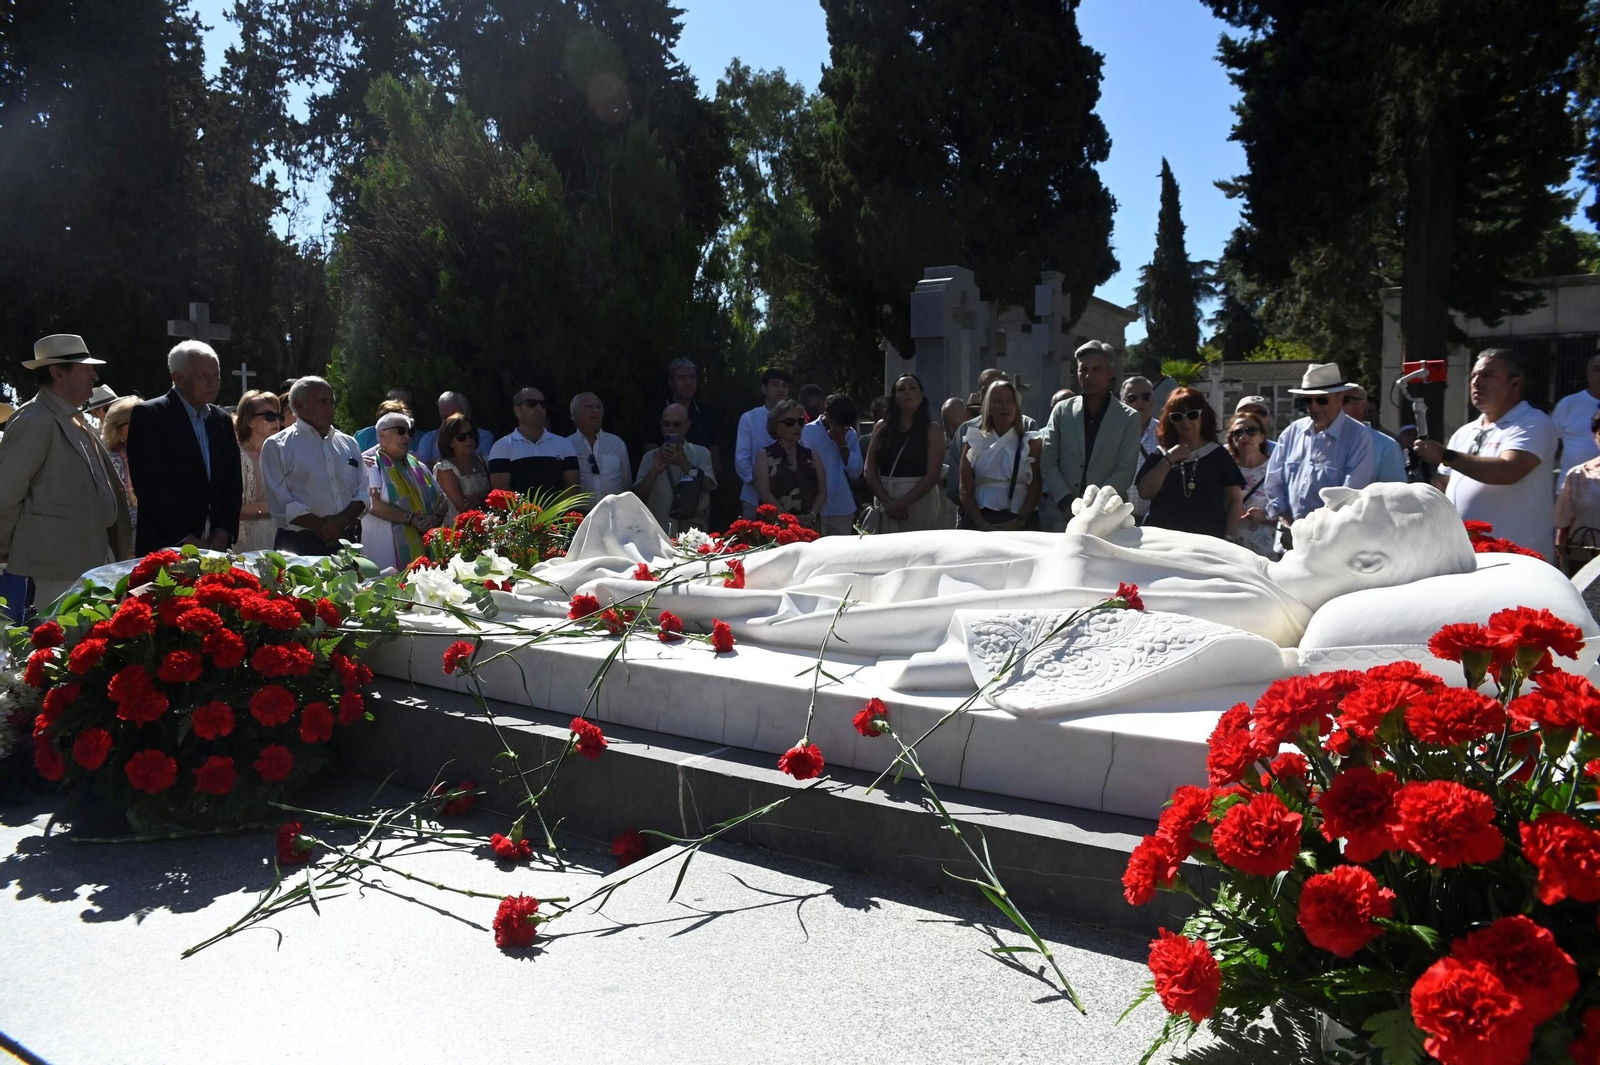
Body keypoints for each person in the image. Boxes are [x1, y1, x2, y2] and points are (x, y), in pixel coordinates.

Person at [568, 482, 1476, 656]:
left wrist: (1090, 528)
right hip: (993, 555)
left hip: (984, 577)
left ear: (1364, 561)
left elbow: (1092, 612)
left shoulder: (1261, 610)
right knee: (817, 553)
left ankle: (649, 588)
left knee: (818, 573)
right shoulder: (1254, 567)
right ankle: (666, 569)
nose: (1329, 499)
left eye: (1351, 510)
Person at [0, 334, 133, 607]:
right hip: (54, 570)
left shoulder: (74, 419)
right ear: (58, 372)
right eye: (86, 369)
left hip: (88, 563)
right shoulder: (34, 419)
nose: (94, 376)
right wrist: (4, 550)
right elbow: (5, 494)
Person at [1413, 348, 1557, 558]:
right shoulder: (1465, 432)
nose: (1476, 382)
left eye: (1487, 375)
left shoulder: (1533, 423)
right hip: (1466, 555)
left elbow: (1509, 471)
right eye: (1473, 376)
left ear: (1514, 383)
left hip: (1517, 558)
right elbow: (1443, 484)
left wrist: (1446, 455)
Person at [126, 341, 242, 554]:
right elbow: (150, 487)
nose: (213, 382)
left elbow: (233, 482)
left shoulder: (222, 420)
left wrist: (223, 530)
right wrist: (186, 539)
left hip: (216, 546)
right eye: (203, 376)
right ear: (178, 379)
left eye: (216, 375)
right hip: (167, 547)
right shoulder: (151, 416)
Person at [1263, 363, 1373, 542]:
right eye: (1307, 400)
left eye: (1321, 400)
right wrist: (1291, 526)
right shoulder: (1292, 432)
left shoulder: (1358, 436)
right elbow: (1273, 484)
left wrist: (1313, 534)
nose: (1314, 406)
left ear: (1340, 398)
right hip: (1288, 540)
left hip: (1330, 543)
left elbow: (1350, 495)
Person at [260, 376, 367, 556]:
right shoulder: (277, 446)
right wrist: (324, 528)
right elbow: (281, 503)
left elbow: (363, 492)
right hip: (299, 545)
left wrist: (339, 524)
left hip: (346, 541)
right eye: (323, 402)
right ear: (300, 405)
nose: (330, 408)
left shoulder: (349, 443)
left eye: (332, 402)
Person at [1041, 341, 1142, 521]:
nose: (1089, 376)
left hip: (1107, 515)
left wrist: (1095, 506)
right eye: (1083, 369)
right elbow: (1048, 461)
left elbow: (1125, 470)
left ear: (1109, 373)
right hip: (1062, 513)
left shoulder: (1129, 418)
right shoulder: (1061, 410)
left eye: (1097, 369)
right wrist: (1066, 501)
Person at [1135, 387, 1245, 539]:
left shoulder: (1218, 454)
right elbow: (1145, 492)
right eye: (1177, 417)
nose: (1185, 422)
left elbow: (1235, 500)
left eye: (1192, 415)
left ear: (1203, 417)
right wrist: (1169, 459)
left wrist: (1230, 538)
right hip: (1162, 541)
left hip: (1207, 542)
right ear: (1170, 421)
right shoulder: (1161, 453)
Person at [360, 411, 445, 573]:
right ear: (382, 435)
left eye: (410, 432)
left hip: (424, 550)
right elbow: (373, 504)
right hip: (385, 554)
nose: (407, 437)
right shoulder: (371, 465)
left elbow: (443, 500)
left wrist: (435, 517)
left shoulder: (418, 465)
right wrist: (411, 519)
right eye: (400, 431)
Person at [864, 373, 945, 532]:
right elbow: (869, 469)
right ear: (895, 397)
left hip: (919, 501)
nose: (907, 392)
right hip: (885, 499)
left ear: (921, 396)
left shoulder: (933, 430)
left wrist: (904, 502)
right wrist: (886, 501)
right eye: (901, 389)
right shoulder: (882, 427)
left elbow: (933, 474)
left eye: (912, 388)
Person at [946, 368, 1034, 511]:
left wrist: (1020, 519)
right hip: (976, 513)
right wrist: (977, 513)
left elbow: (1035, 481)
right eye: (990, 392)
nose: (1003, 405)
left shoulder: (1028, 427)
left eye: (1007, 397)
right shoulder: (967, 431)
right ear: (981, 395)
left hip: (1018, 514)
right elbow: (957, 483)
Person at [959, 379, 1042, 531]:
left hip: (1019, 519)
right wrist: (981, 524)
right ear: (988, 407)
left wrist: (1019, 521)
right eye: (997, 401)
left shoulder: (1030, 442)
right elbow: (965, 488)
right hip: (981, 517)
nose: (1005, 406)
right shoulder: (974, 441)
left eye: (1010, 400)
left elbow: (1035, 487)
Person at [634, 402, 717, 534]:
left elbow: (707, 486)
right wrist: (654, 472)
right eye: (666, 424)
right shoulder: (650, 457)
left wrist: (686, 465)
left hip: (692, 532)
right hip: (659, 532)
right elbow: (637, 497)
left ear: (687, 426)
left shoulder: (701, 453)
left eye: (677, 424)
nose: (671, 429)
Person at [488, 387, 580, 496]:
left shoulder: (564, 444)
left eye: (543, 404)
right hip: (519, 513)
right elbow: (502, 494)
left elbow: (573, 487)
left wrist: (552, 512)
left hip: (558, 512)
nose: (539, 408)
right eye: (531, 403)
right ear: (517, 410)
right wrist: (527, 512)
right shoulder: (502, 447)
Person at [752, 398, 824, 527]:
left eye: (800, 422)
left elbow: (822, 491)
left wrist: (813, 514)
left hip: (809, 525)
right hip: (777, 527)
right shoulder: (764, 456)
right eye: (790, 422)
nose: (797, 426)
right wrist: (788, 518)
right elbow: (764, 493)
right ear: (777, 427)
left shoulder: (812, 455)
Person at [801, 393, 864, 536]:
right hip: (815, 508)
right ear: (826, 415)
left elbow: (856, 472)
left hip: (842, 507)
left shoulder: (850, 434)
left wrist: (842, 443)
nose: (841, 427)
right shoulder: (807, 432)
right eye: (837, 423)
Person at [735, 368, 792, 518]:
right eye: (775, 384)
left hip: (790, 496)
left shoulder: (796, 418)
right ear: (763, 388)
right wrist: (762, 486)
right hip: (754, 496)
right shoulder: (749, 418)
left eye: (784, 385)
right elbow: (742, 461)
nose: (780, 389)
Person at [234, 389, 282, 552]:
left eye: (278, 416)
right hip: (247, 542)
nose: (276, 421)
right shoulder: (237, 456)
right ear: (249, 421)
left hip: (280, 539)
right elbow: (233, 507)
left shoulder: (281, 453)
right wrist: (269, 510)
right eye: (269, 416)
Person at [1555, 408, 1600, 574]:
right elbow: (1563, 526)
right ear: (1596, 436)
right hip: (1583, 562)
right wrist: (1562, 565)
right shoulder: (1578, 476)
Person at [567, 392, 630, 507]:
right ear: (574, 414)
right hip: (581, 518)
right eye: (589, 407)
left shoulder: (616, 443)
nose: (595, 410)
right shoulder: (566, 445)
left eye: (598, 407)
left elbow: (626, 483)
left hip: (614, 516)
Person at [1226, 411, 1275, 556]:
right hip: (1233, 550)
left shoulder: (1277, 467)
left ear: (1262, 437)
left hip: (1269, 553)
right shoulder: (1225, 469)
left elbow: (1292, 510)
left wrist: (1265, 517)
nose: (1244, 436)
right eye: (1238, 433)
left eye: (1251, 431)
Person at [1552, 352, 1600, 493]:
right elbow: (1554, 443)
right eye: (1597, 369)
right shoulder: (1568, 404)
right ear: (1588, 373)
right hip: (1573, 491)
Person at [433, 411, 491, 523]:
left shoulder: (484, 462)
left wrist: (480, 498)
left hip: (488, 525)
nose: (468, 440)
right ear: (450, 442)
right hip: (460, 531)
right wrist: (487, 498)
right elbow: (464, 507)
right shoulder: (445, 468)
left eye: (471, 434)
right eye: (461, 437)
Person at [666, 357, 720, 477]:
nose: (688, 383)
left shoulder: (706, 414)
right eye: (682, 377)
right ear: (671, 382)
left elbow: (715, 458)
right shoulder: (659, 412)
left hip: (700, 484)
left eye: (692, 377)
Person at [1341, 385, 1405, 483]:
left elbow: (1394, 495)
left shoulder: (1387, 446)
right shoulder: (1321, 440)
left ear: (1362, 405)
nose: (1335, 405)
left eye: (1343, 400)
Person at [414, 391, 494, 468]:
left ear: (467, 413)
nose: (449, 422)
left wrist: (438, 461)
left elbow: (481, 464)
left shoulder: (484, 436)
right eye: (445, 417)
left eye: (453, 416)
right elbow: (422, 468)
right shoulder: (428, 439)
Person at [1121, 376, 1159, 522]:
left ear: (1153, 400)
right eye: (1132, 398)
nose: (1139, 402)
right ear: (1122, 402)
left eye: (1145, 396)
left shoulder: (1165, 434)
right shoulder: (1112, 434)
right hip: (1120, 523)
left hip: (1155, 521)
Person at [100, 397, 139, 534]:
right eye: (136, 421)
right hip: (124, 540)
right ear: (118, 430)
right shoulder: (111, 461)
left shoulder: (157, 455)